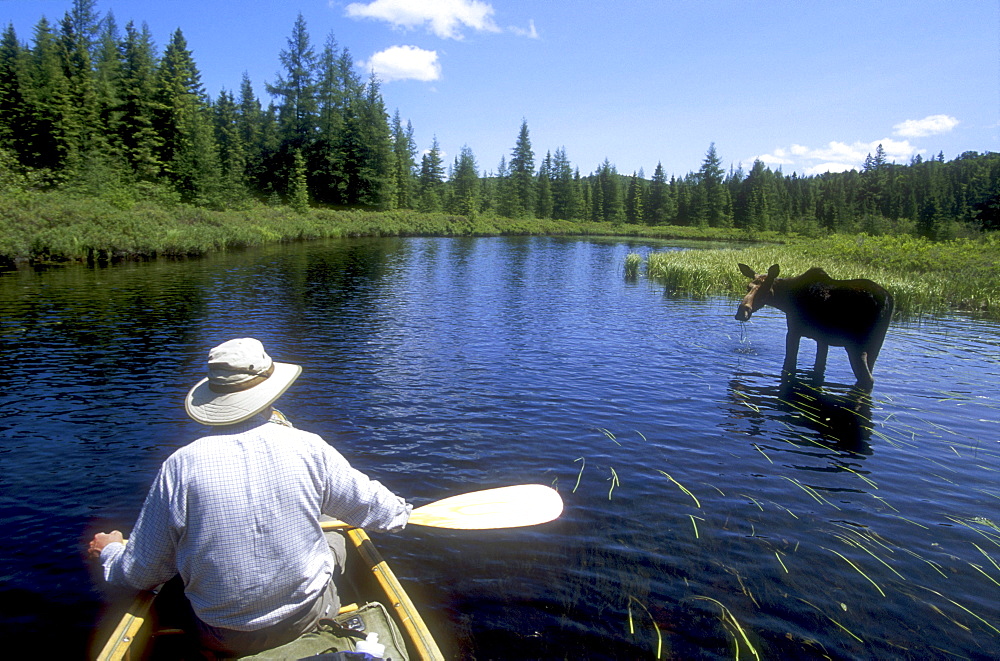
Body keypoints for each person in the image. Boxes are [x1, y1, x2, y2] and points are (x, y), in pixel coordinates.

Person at [88, 337, 411, 656]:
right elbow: (383, 513)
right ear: (271, 393)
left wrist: (111, 551)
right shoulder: (309, 447)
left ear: (215, 396)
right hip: (306, 618)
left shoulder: (180, 466)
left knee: (174, 560)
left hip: (220, 636)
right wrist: (402, 511)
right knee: (335, 527)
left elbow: (140, 573)